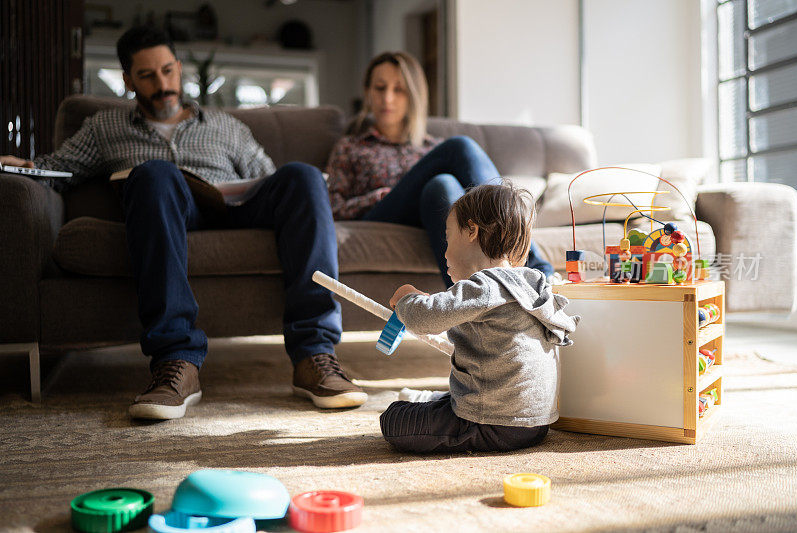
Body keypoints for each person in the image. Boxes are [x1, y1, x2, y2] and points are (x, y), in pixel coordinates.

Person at [0, 26, 366, 419]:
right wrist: (28, 168)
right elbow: (59, 169)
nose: (162, 84)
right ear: (128, 80)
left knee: (304, 177)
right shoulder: (104, 127)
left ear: (178, 68)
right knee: (155, 173)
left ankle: (315, 355)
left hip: (236, 208)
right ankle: (177, 362)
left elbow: (269, 177)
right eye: (147, 75)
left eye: (168, 70)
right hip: (167, 210)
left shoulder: (225, 125)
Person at [379, 182, 580, 453]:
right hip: (536, 423)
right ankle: (439, 402)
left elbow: (421, 319)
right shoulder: (530, 284)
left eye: (448, 238)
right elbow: (443, 310)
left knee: (393, 419)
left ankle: (436, 407)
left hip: (492, 424)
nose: (445, 251)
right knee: (441, 405)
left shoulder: (485, 285)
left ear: (471, 231)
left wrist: (407, 297)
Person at [325, 51, 553, 287]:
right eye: (380, 88)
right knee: (460, 146)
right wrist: (378, 196)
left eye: (398, 90)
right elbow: (332, 209)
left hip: (430, 213)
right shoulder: (351, 146)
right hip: (383, 214)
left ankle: (465, 300)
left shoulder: (430, 147)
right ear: (368, 92)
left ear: (414, 95)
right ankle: (533, 263)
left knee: (441, 185)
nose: (387, 99)